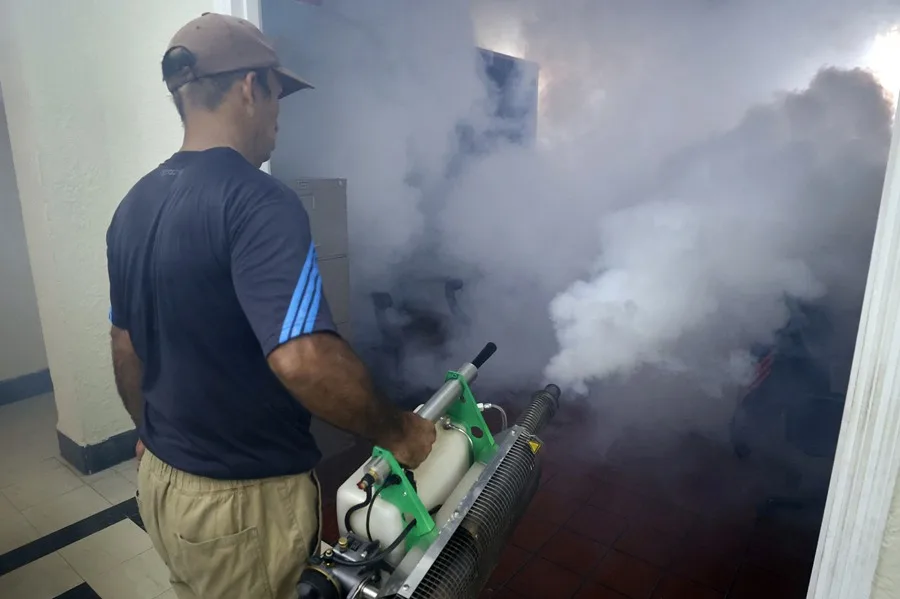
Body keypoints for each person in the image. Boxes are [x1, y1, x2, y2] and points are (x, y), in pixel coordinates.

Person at [105, 12, 436, 599]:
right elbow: (304, 359)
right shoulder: (258, 201)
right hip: (240, 505)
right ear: (250, 87)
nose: (280, 114)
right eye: (278, 93)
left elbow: (124, 345)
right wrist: (400, 431)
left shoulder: (133, 205)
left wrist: (149, 433)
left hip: (162, 485)